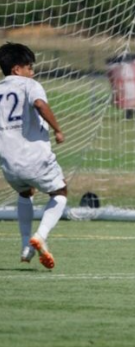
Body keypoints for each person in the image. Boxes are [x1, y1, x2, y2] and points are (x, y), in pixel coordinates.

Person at [0, 42, 67, 269]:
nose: (33, 72)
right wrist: (57, 129)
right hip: (33, 156)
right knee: (60, 191)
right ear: (17, 70)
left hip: (8, 161)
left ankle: (25, 246)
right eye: (29, 67)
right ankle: (40, 235)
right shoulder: (30, 85)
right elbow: (39, 104)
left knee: (25, 192)